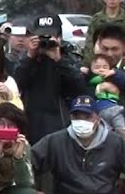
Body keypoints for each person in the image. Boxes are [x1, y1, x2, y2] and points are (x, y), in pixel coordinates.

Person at [14, 13, 87, 145]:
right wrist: (30, 56)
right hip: (31, 123)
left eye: (49, 36)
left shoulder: (69, 57)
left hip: (60, 123)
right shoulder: (27, 58)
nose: (45, 41)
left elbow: (79, 89)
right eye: (41, 37)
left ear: (59, 38)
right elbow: (16, 84)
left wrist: (58, 60)